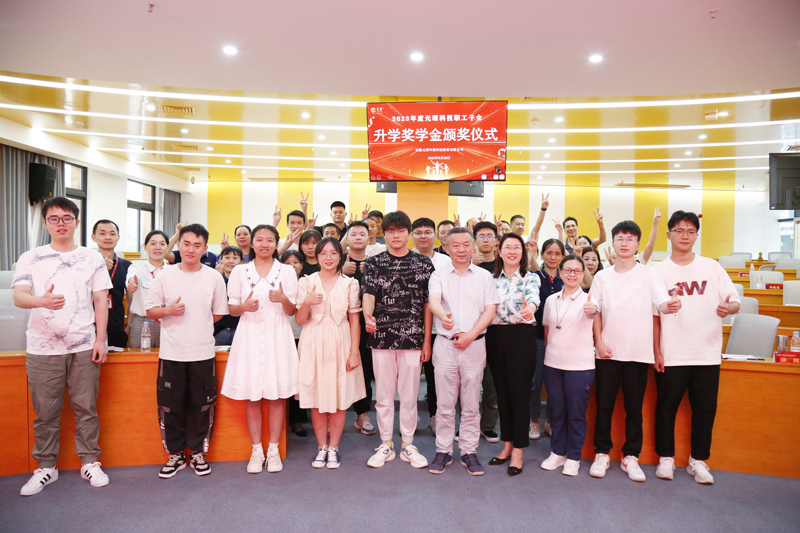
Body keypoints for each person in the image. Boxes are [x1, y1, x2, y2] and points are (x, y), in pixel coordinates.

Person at [13, 197, 113, 496]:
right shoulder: (31, 257)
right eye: (54, 218)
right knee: (45, 412)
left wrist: (100, 339)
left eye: (67, 218)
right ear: (45, 223)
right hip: (42, 348)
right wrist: (41, 300)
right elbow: (19, 297)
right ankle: (46, 467)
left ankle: (90, 462)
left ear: (76, 222)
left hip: (84, 345)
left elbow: (100, 300)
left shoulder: (92, 258)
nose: (61, 223)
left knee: (86, 408)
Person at [653, 211, 740, 485]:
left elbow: (734, 301)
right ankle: (666, 458)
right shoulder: (658, 271)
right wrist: (657, 351)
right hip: (672, 353)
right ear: (669, 234)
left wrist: (728, 308)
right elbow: (654, 314)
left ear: (696, 236)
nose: (685, 236)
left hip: (707, 353)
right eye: (679, 231)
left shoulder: (712, 267)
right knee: (666, 409)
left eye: (691, 231)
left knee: (704, 410)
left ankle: (698, 461)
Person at [589, 220, 679, 482]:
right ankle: (602, 453)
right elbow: (594, 311)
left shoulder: (649, 274)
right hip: (608, 352)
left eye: (630, 238)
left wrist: (671, 305)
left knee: (634, 409)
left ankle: (631, 456)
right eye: (620, 238)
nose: (625, 243)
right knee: (604, 406)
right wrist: (599, 342)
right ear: (613, 243)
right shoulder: (602, 276)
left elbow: (661, 304)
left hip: (638, 353)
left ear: (638, 244)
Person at [145, 223, 229, 479]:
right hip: (172, 353)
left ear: (205, 249)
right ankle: (176, 454)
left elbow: (217, 314)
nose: (191, 249)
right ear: (179, 245)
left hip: (202, 353)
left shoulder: (213, 277)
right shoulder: (164, 275)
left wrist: (198, 325)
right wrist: (168, 311)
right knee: (171, 406)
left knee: (202, 405)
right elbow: (151, 310)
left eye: (197, 245)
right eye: (187, 244)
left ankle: (198, 452)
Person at [221, 225, 298, 474]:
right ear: (252, 243)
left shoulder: (287, 271)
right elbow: (232, 309)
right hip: (250, 335)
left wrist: (283, 299)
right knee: (252, 396)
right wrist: (244, 306)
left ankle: (273, 450)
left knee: (276, 396)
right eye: (259, 240)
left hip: (278, 336)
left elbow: (292, 311)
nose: (264, 244)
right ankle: (256, 450)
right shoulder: (239, 271)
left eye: (270, 240)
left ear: (276, 243)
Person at [362, 211, 433, 469]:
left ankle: (408, 445)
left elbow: (428, 305)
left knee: (410, 395)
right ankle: (385, 444)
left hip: (413, 338)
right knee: (383, 395)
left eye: (400, 230)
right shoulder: (373, 263)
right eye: (390, 231)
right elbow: (368, 294)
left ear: (408, 233)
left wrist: (427, 341)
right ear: (384, 234)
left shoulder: (423, 264)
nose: (395, 235)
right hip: (381, 337)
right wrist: (368, 316)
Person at [428, 227, 500, 476]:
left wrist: (470, 336)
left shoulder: (484, 276)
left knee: (471, 403)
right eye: (455, 245)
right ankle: (444, 450)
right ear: (446, 248)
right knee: (444, 403)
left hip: (474, 345)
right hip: (445, 345)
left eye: (466, 244)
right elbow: (434, 301)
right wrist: (443, 316)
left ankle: (469, 451)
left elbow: (490, 311)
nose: (461, 249)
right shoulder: (438, 274)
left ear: (473, 247)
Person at [296, 237, 366, 469]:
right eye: (323, 253)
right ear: (317, 257)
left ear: (341, 257)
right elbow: (299, 320)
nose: (328, 257)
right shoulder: (306, 281)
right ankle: (321, 447)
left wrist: (354, 352)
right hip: (313, 342)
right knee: (316, 398)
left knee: (339, 398)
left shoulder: (350, 283)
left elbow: (354, 321)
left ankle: (333, 447)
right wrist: (307, 302)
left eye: (333, 253)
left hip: (341, 342)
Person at [540, 255, 599, 477]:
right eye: (567, 270)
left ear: (583, 274)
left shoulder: (590, 300)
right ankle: (557, 452)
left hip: (579, 366)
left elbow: (593, 313)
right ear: (560, 273)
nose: (572, 274)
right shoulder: (551, 300)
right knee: (556, 411)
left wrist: (592, 310)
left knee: (575, 412)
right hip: (553, 364)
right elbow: (547, 329)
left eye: (577, 271)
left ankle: (573, 456)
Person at [486, 233, 540, 476]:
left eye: (516, 247)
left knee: (519, 394)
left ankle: (518, 450)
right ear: (499, 251)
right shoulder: (490, 280)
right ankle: (507, 445)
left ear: (522, 252)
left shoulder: (530, 277)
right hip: (495, 337)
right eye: (507, 247)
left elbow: (533, 298)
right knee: (502, 393)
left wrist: (531, 308)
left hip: (521, 337)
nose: (511, 251)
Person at [411, 217, 453, 434]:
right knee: (408, 379)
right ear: (412, 236)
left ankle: (435, 416)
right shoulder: (405, 258)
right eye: (418, 232)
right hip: (409, 329)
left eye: (428, 232)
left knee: (435, 377)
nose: (423, 236)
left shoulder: (446, 261)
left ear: (435, 235)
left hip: (439, 329)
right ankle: (409, 418)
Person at [342, 221, 376, 436]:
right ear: (347, 238)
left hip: (366, 326)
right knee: (336, 371)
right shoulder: (336, 261)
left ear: (368, 237)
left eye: (361, 234)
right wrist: (340, 271)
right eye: (353, 234)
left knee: (364, 371)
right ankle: (331, 414)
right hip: (339, 325)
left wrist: (372, 272)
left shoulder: (376, 262)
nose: (357, 237)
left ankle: (362, 414)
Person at [529, 238, 566, 440]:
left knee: (556, 384)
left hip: (562, 339)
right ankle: (533, 420)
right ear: (542, 254)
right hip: (537, 338)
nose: (553, 257)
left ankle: (551, 422)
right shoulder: (534, 277)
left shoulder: (567, 278)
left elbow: (587, 283)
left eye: (557, 253)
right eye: (549, 252)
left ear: (562, 256)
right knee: (536, 382)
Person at [471, 221, 500, 443]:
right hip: (471, 332)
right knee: (469, 383)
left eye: (490, 236)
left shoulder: (503, 266)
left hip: (497, 332)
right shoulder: (468, 266)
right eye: (481, 236)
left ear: (496, 241)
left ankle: (488, 425)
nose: (486, 240)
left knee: (492, 384)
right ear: (474, 241)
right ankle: (468, 424)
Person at [280, 250, 310, 437]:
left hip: (303, 336)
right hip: (281, 337)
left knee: (300, 378)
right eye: (287, 262)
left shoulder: (307, 284)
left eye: (296, 262)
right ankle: (285, 419)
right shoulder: (277, 285)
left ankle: (297, 419)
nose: (292, 266)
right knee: (285, 378)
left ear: (302, 265)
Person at [126, 230, 170, 349]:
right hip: (142, 322)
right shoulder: (136, 268)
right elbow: (131, 277)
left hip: (167, 321)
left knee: (167, 357)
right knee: (138, 358)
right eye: (153, 243)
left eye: (162, 244)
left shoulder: (173, 271)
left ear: (167, 247)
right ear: (145, 247)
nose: (158, 247)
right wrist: (132, 282)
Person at [91, 219, 131, 348]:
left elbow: (131, 301)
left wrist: (128, 327)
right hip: (90, 328)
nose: (108, 237)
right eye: (102, 233)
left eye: (112, 234)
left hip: (117, 328)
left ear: (118, 237)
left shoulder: (127, 266)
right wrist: (100, 269)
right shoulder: (86, 264)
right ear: (93, 237)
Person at [213, 246, 244, 345]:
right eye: (227, 257)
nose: (231, 261)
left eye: (235, 258)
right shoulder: (214, 281)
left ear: (241, 262)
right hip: (217, 332)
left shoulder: (246, 283)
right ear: (221, 261)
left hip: (240, 332)